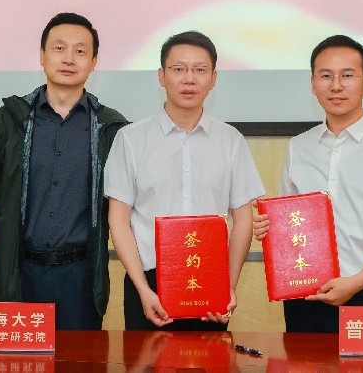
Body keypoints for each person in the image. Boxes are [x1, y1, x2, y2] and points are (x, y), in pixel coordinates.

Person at [253, 35, 363, 333]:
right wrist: (269, 228)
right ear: (313, 84)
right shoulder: (299, 146)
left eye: (347, 75)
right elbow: (290, 223)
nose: (336, 85)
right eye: (326, 76)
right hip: (305, 295)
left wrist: (356, 283)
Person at [105, 30, 265, 330]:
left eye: (200, 70)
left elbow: (243, 220)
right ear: (161, 76)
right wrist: (143, 289)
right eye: (178, 69)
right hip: (149, 284)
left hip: (211, 283)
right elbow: (119, 220)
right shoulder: (130, 139)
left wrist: (228, 287)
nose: (189, 79)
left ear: (213, 79)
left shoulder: (231, 140)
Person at [0, 12, 128, 330]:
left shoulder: (110, 128)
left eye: (80, 51)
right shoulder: (10, 120)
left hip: (81, 277)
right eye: (59, 48)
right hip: (19, 271)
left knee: (81, 358)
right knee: (18, 358)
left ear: (94, 62)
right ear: (42, 55)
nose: (69, 59)